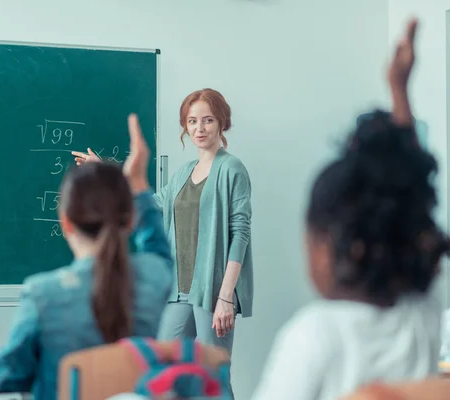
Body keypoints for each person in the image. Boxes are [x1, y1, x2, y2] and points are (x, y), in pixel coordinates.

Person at [250, 19, 448, 400]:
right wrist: (400, 92)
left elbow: (408, 203)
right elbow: (409, 199)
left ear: (327, 250)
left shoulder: (315, 337)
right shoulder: (425, 319)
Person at [73, 88, 253, 397]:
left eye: (208, 120)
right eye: (192, 121)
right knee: (160, 370)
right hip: (179, 290)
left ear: (222, 123)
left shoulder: (231, 168)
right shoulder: (184, 172)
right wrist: (104, 170)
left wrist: (226, 297)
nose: (199, 128)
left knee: (215, 378)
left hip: (212, 290)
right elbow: (150, 204)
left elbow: (241, 232)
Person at [0, 114, 173, 400]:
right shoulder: (152, 279)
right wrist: (137, 185)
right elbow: (159, 252)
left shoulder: (41, 295)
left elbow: (10, 376)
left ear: (65, 223)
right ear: (128, 222)